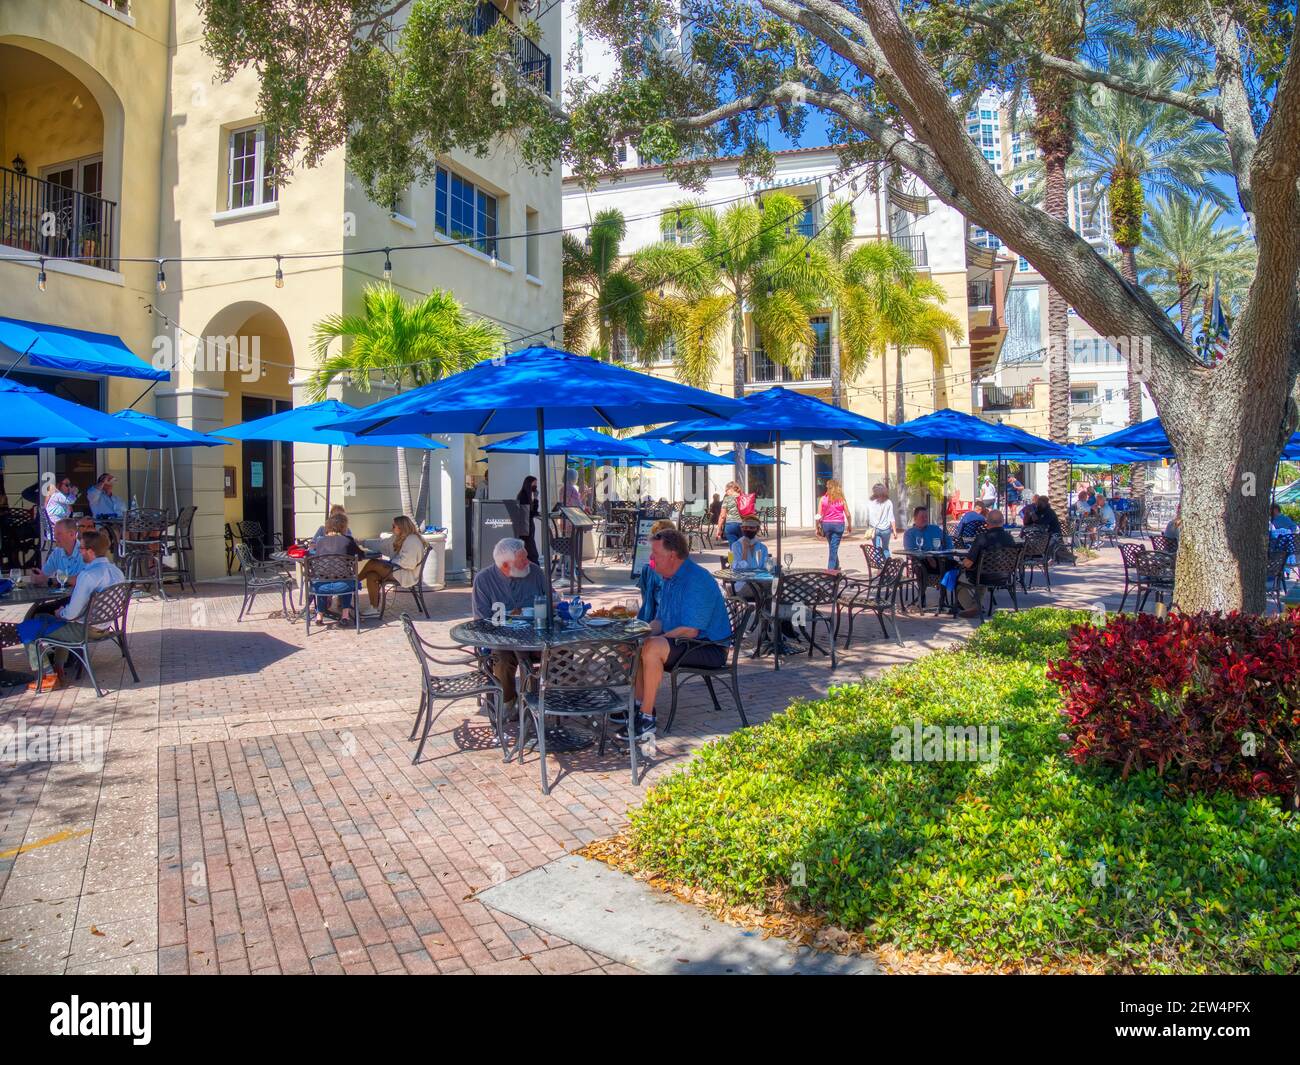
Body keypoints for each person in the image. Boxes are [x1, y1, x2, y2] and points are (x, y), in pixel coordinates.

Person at [625, 529, 731, 739]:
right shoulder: (668, 578)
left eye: (655, 555)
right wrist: (638, 632)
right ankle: (637, 706)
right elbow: (660, 620)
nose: (651, 559)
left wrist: (653, 640)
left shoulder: (697, 579)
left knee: (651, 648)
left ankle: (647, 719)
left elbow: (690, 630)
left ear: (672, 555)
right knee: (633, 644)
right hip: (683, 640)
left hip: (709, 647)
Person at [21, 529, 124, 691]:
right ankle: (59, 667)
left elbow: (71, 614)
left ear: (90, 551)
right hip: (104, 626)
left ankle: (49, 676)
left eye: (81, 548)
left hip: (84, 630)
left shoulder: (88, 575)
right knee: (42, 616)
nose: (79, 551)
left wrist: (60, 612)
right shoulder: (117, 571)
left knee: (28, 626)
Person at [472, 537, 547, 710]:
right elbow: (481, 621)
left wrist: (554, 603)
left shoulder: (535, 572)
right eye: (522, 560)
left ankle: (555, 697)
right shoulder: (484, 580)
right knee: (502, 660)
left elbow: (550, 599)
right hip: (503, 641)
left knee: (562, 652)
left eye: (527, 557)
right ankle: (508, 702)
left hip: (538, 639)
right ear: (506, 565)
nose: (528, 562)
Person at [357, 515, 425, 616]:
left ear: (401, 527)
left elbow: (409, 563)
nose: (391, 528)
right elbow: (382, 544)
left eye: (394, 526)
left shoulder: (412, 540)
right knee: (372, 574)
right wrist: (362, 542)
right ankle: (373, 608)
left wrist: (391, 563)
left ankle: (354, 581)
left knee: (373, 563)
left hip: (407, 575)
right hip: (399, 570)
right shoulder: (400, 537)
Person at [957, 509, 1017, 617]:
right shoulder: (1010, 539)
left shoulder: (982, 539)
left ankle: (972, 606)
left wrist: (960, 563)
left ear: (987, 523)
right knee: (981, 576)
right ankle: (976, 605)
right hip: (1005, 577)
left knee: (957, 579)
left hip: (983, 577)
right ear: (1002, 521)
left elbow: (969, 563)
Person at [310, 511, 364, 625]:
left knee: (321, 578)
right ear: (344, 526)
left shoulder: (320, 541)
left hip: (320, 588)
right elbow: (360, 556)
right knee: (348, 577)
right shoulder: (348, 540)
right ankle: (345, 616)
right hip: (344, 587)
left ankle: (319, 616)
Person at [903, 506, 952, 608]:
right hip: (922, 561)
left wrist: (948, 554)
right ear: (915, 518)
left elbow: (948, 541)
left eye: (926, 516)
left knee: (957, 567)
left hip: (940, 559)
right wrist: (927, 558)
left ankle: (948, 599)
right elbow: (910, 551)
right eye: (922, 517)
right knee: (920, 567)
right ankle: (922, 596)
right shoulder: (909, 533)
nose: (925, 519)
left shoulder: (935, 529)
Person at [636, 518, 676, 621]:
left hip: (667, 627)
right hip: (655, 624)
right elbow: (646, 602)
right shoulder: (647, 570)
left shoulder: (680, 570)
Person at [29, 518, 89, 588]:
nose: (55, 537)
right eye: (54, 534)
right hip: (64, 597)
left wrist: (51, 581)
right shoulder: (56, 553)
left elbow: (81, 580)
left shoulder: (86, 552)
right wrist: (37, 578)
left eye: (59, 534)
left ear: (72, 534)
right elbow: (44, 575)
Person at [817, 479, 851, 571]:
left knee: (832, 546)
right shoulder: (841, 500)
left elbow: (818, 515)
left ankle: (836, 566)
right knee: (833, 548)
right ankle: (830, 570)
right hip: (838, 525)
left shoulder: (823, 499)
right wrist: (850, 525)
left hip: (826, 525)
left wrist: (817, 527)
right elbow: (847, 514)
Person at [864, 483, 895, 558]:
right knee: (885, 549)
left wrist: (869, 526)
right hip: (886, 529)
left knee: (877, 549)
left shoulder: (870, 502)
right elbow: (891, 517)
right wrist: (894, 531)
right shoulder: (888, 502)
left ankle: (879, 567)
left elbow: (868, 516)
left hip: (874, 529)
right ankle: (888, 566)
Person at [515, 476, 540, 564]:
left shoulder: (526, 495)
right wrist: (536, 499)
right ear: (529, 484)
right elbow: (531, 513)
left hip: (527, 527)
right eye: (534, 484)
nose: (536, 486)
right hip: (526, 528)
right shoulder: (524, 496)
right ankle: (536, 569)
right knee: (532, 552)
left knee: (530, 551)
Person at [714, 481, 744, 549]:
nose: (726, 492)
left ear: (731, 489)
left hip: (731, 525)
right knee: (743, 547)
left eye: (726, 490)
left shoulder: (727, 499)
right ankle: (743, 559)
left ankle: (732, 559)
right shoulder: (743, 498)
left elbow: (722, 516)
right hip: (743, 525)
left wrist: (719, 529)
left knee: (732, 548)